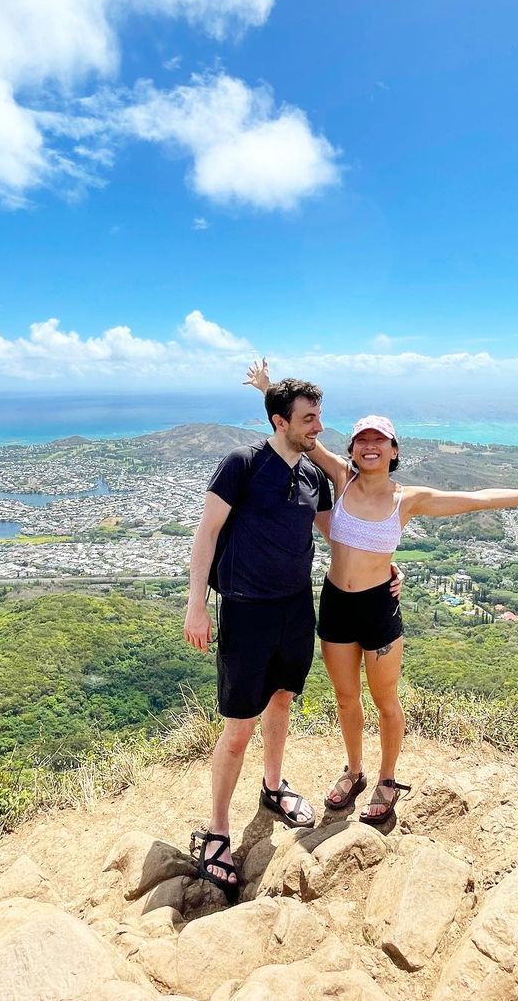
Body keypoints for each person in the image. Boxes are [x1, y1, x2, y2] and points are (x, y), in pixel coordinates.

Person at [246, 359, 518, 826]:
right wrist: (266, 388)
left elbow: (477, 499)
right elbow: (293, 427)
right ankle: (354, 771)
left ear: (394, 449)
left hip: (379, 607)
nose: (370, 446)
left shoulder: (408, 498)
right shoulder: (339, 476)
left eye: (379, 440)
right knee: (345, 698)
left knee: (385, 700)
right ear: (352, 449)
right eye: (362, 440)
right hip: (336, 604)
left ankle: (387, 778)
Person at [183, 375, 401, 901]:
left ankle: (273, 786)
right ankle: (217, 830)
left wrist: (385, 566)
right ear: (280, 422)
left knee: (282, 699)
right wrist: (196, 605)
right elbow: (207, 532)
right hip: (246, 609)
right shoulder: (243, 463)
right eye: (309, 419)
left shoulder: (312, 475)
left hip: (296, 606)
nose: (319, 427)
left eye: (318, 417)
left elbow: (340, 533)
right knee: (239, 727)